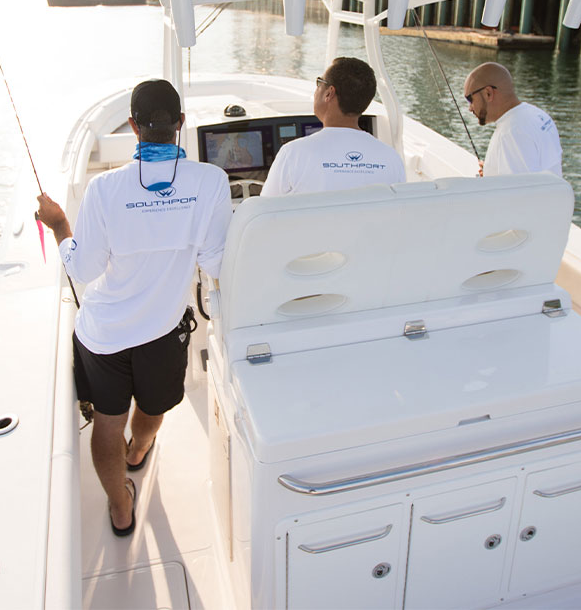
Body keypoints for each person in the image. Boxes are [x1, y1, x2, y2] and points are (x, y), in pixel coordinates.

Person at [37, 79, 232, 537]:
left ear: (132, 126)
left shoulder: (104, 189)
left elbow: (83, 268)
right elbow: (215, 261)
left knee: (107, 423)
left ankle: (121, 508)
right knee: (153, 406)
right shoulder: (211, 182)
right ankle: (139, 451)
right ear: (181, 124)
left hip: (102, 336)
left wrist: (60, 224)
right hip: (163, 333)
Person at [260, 57, 405, 197]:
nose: (316, 89)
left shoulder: (293, 154)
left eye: (319, 83)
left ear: (329, 93)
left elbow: (263, 213)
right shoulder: (392, 158)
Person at [464, 62, 562, 177]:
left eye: (470, 99)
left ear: (488, 93)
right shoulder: (538, 115)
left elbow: (518, 192)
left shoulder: (510, 133)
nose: (470, 108)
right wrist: (493, 169)